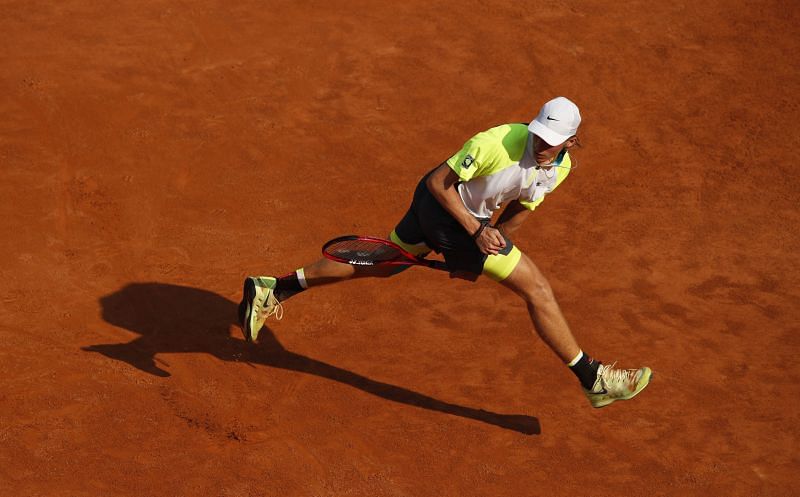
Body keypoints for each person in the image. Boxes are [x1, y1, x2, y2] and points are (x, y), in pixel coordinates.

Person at [238, 97, 651, 408]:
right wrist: (475, 237)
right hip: (442, 207)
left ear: (572, 142)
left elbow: (521, 207)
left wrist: (493, 242)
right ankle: (592, 378)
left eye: (553, 141)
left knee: (382, 265)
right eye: (539, 134)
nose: (542, 144)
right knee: (536, 288)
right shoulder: (495, 143)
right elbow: (439, 183)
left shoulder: (558, 168)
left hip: (466, 221)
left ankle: (274, 288)